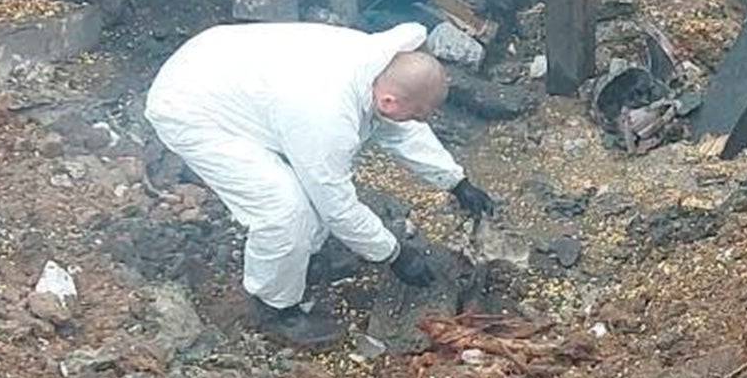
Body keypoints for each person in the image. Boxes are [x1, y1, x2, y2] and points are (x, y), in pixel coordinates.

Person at [144, 20, 496, 346]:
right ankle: (276, 306)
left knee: (303, 196)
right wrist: (393, 253)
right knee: (284, 209)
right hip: (191, 105)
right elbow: (336, 204)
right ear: (388, 101)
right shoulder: (327, 116)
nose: (423, 120)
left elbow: (403, 126)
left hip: (228, 70)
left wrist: (454, 180)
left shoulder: (380, 65)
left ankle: (297, 259)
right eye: (420, 112)